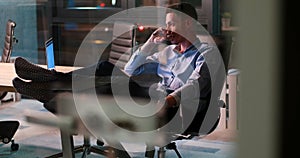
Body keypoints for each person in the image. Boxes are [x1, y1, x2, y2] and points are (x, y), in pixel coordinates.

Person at [13, 2, 224, 140]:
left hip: (170, 109)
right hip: (148, 98)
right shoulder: (167, 51)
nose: (166, 29)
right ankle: (51, 84)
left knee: (104, 77)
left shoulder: (206, 53)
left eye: (171, 24)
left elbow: (198, 85)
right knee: (105, 73)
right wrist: (151, 42)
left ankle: (50, 89)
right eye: (165, 24)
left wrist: (170, 100)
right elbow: (130, 69)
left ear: (188, 23)